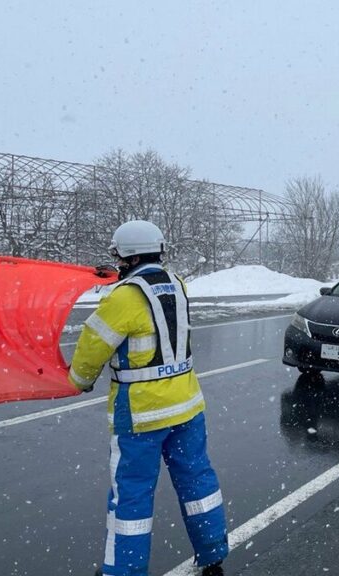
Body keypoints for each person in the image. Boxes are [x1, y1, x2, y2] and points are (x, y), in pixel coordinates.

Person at [69, 220, 228, 576]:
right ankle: (213, 554)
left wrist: (79, 380)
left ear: (125, 254)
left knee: (132, 498)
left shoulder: (123, 297)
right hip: (187, 407)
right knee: (198, 482)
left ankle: (123, 571)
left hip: (140, 416)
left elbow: (92, 346)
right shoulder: (177, 285)